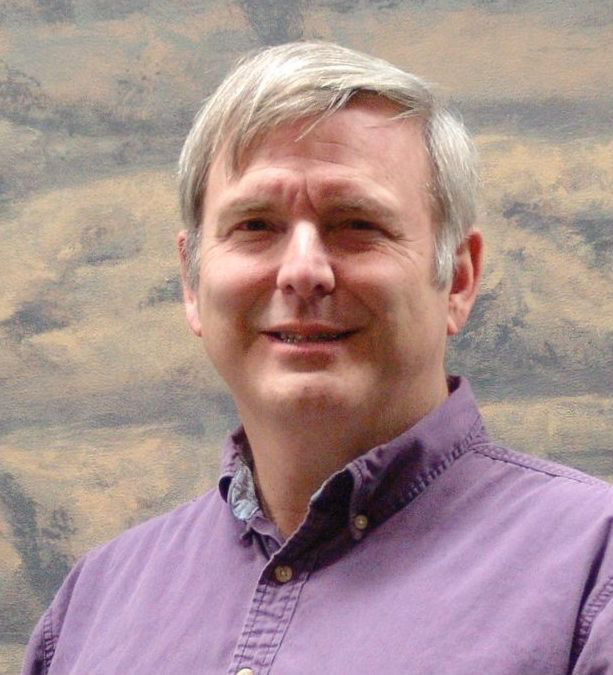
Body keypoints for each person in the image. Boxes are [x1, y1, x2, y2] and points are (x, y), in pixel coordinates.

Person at [22, 41, 612, 674]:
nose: (303, 271)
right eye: (255, 226)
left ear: (459, 280)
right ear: (192, 283)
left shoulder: (591, 573)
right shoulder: (93, 608)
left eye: (357, 224)